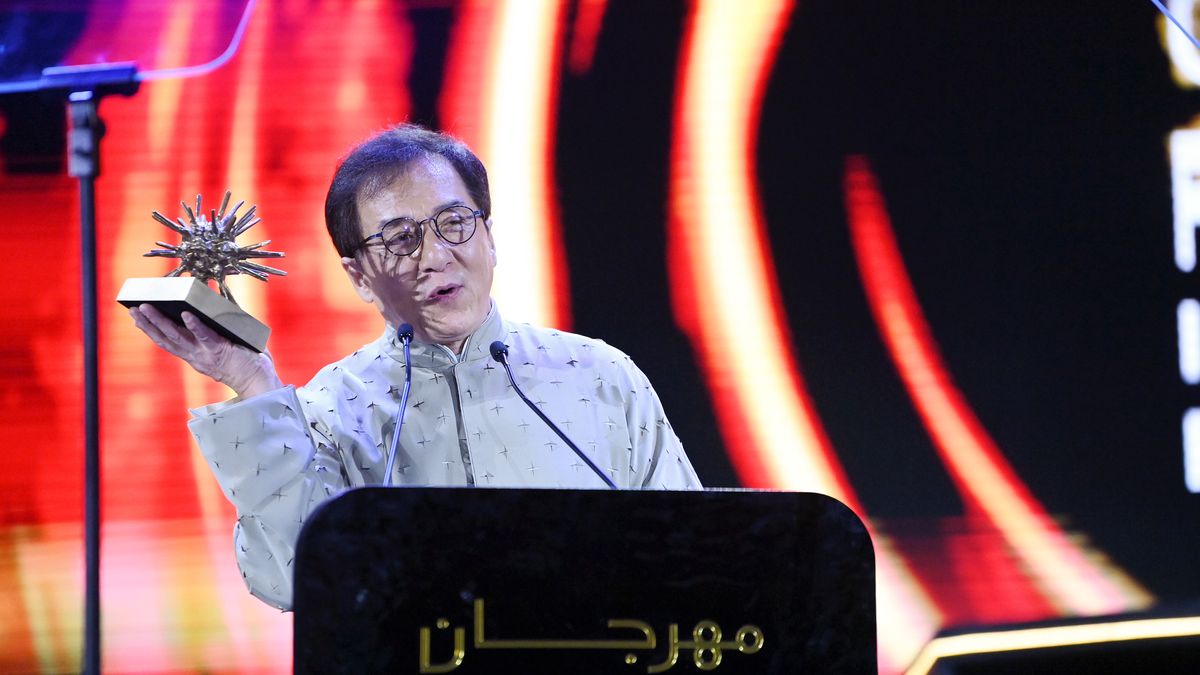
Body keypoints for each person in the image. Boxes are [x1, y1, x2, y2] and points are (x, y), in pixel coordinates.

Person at [129, 124, 702, 610]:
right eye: (399, 240)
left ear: (490, 235)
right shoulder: (328, 411)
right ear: (359, 277)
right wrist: (254, 386)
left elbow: (698, 561)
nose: (435, 257)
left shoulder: (599, 376)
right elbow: (291, 582)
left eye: (454, 222)